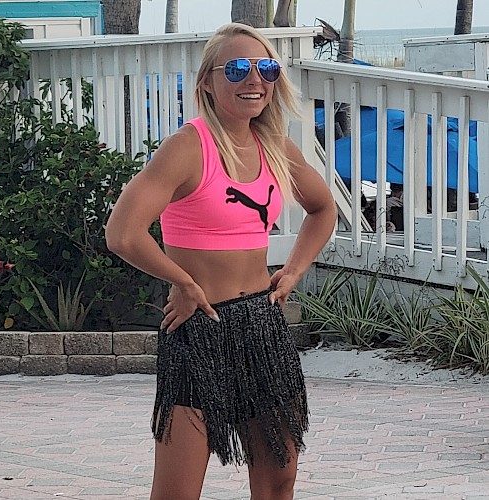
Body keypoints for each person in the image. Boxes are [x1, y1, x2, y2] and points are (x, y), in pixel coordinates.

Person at [105, 22, 337, 500]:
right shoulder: (188, 146)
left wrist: (293, 270)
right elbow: (122, 234)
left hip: (261, 322)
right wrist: (183, 282)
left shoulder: (273, 145)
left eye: (266, 68)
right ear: (207, 82)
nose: (254, 80)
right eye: (237, 68)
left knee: (280, 477)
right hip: (198, 327)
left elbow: (323, 208)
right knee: (177, 491)